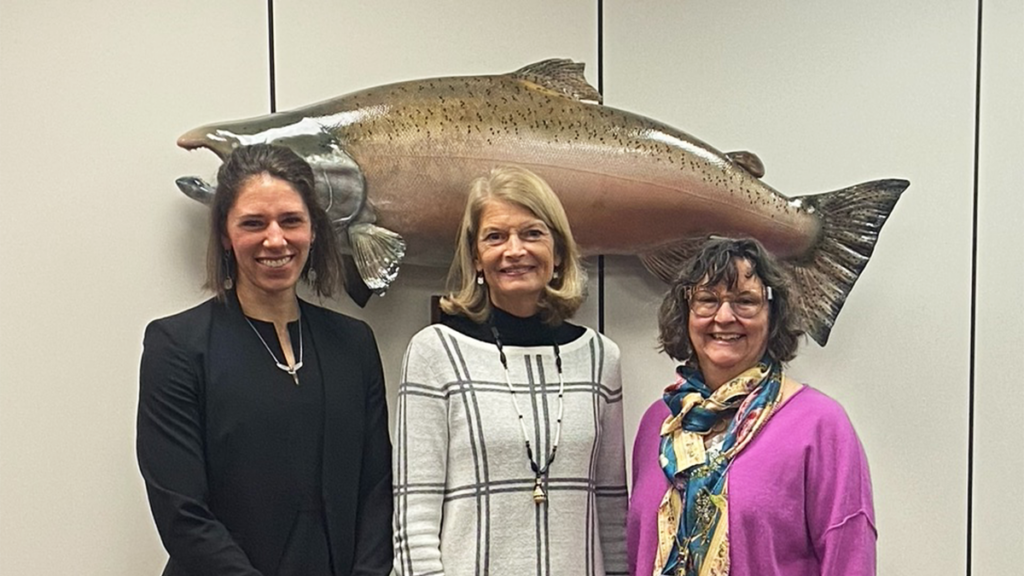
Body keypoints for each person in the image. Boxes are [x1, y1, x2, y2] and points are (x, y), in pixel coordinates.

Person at [137, 144, 392, 576]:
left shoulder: (354, 344)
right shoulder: (177, 346)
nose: (275, 239)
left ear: (313, 230)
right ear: (225, 234)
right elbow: (182, 512)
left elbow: (376, 491)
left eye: (291, 220)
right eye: (253, 224)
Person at [392, 166, 628, 576]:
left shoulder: (599, 357)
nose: (514, 250)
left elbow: (611, 512)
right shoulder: (436, 352)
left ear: (557, 253)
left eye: (532, 233)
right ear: (476, 259)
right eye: (495, 237)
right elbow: (414, 517)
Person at [627, 237, 876, 576]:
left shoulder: (819, 425)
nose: (724, 316)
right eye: (707, 300)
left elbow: (849, 559)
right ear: (686, 313)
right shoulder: (660, 422)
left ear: (773, 316)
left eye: (745, 301)